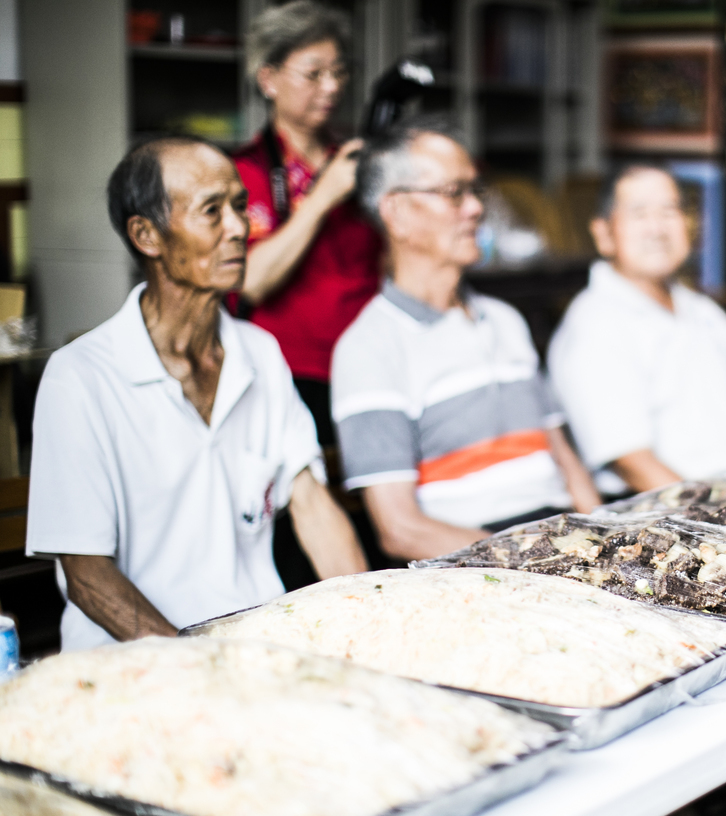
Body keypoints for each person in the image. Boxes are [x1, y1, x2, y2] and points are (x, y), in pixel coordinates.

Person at [26, 138, 367, 652]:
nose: (239, 228)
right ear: (147, 235)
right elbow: (87, 576)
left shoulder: (260, 354)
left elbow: (314, 509)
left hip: (256, 649)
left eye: (238, 205)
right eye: (213, 211)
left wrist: (368, 626)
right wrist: (199, 669)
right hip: (133, 667)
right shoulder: (80, 377)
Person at [332, 117, 601, 562]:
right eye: (453, 193)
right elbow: (401, 530)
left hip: (564, 539)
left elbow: (564, 461)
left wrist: (607, 541)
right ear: (396, 212)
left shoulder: (505, 320)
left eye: (475, 191)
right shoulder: (369, 347)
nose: (475, 208)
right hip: (478, 557)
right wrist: (531, 562)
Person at [549, 165, 726, 494]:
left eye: (670, 211)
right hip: (677, 522)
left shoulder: (706, 313)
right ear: (603, 233)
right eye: (640, 213)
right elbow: (633, 464)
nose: (658, 228)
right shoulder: (594, 326)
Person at [233, 1, 382, 444]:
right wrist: (322, 199)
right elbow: (251, 281)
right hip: (294, 373)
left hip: (370, 362)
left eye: (339, 72)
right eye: (314, 74)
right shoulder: (246, 171)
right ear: (269, 78)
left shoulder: (356, 161)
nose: (332, 86)